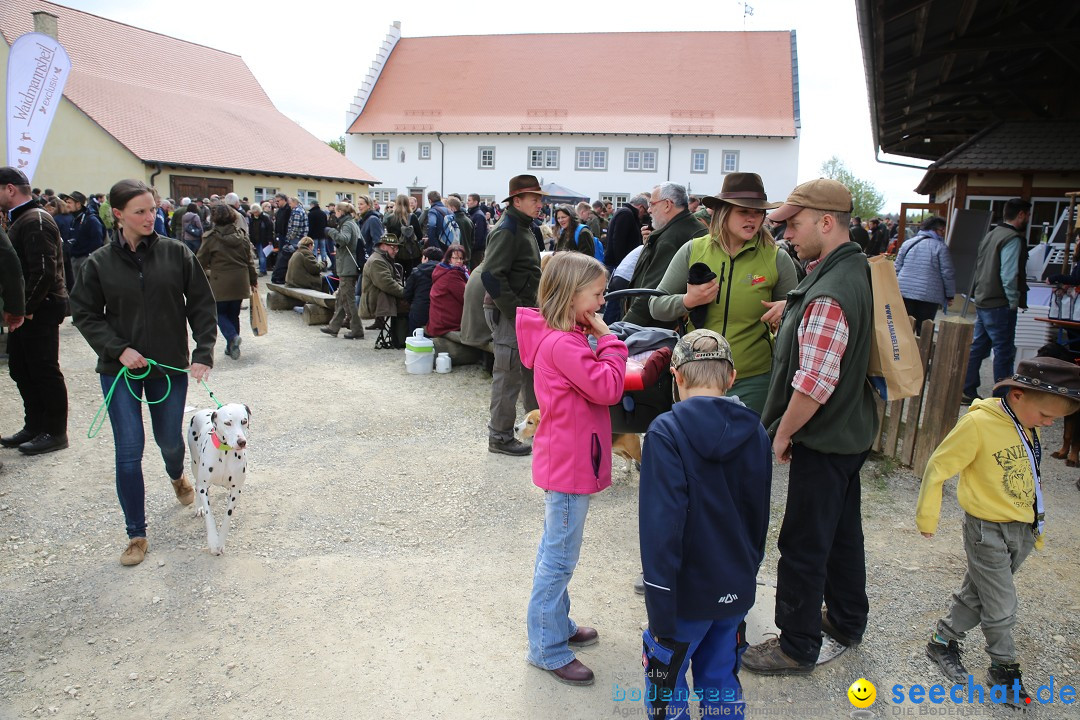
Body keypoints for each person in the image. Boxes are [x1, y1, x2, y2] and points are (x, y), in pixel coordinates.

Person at [742, 178, 876, 675]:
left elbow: (814, 382)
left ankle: (797, 645)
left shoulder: (828, 292)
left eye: (794, 225)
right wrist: (793, 307)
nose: (787, 235)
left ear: (825, 222)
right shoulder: (852, 267)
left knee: (802, 542)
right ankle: (845, 618)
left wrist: (782, 433)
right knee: (842, 532)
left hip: (823, 435)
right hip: (850, 432)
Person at [917, 357, 1080, 709]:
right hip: (986, 531)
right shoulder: (977, 423)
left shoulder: (1026, 422)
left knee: (980, 593)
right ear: (1018, 396)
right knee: (1001, 603)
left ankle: (941, 641)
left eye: (1054, 419)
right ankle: (1004, 670)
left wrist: (1033, 526)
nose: (1048, 424)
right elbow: (938, 466)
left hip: (1021, 529)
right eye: (1045, 416)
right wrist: (928, 517)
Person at [70, 178, 217, 566]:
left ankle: (176, 476)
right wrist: (118, 350)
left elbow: (201, 302)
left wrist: (203, 350)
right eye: (140, 211)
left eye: (153, 209)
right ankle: (136, 533)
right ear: (118, 215)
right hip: (120, 372)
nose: (150, 217)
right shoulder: (99, 263)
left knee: (170, 441)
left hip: (168, 368)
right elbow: (84, 313)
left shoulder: (176, 253)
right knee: (129, 450)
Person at [639, 330, 771, 719]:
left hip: (682, 599)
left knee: (668, 691)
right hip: (734, 590)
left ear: (676, 375)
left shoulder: (666, 432)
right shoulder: (757, 433)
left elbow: (661, 529)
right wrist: (746, 580)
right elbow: (758, 518)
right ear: (732, 377)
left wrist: (660, 611)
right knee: (721, 684)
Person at [517, 251, 628, 686]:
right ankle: (546, 647)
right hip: (569, 464)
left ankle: (556, 625)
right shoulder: (564, 342)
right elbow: (609, 386)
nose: (602, 303)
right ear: (571, 293)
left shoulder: (564, 335)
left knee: (554, 551)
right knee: (559, 560)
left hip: (569, 457)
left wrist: (596, 337)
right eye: (597, 294)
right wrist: (612, 340)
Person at [645, 174, 796, 413]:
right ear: (723, 211)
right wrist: (687, 300)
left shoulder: (777, 258)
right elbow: (656, 305)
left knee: (743, 449)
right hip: (695, 375)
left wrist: (787, 310)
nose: (752, 219)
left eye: (758, 212)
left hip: (753, 379)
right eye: (743, 211)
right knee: (696, 447)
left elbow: (796, 315)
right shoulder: (693, 250)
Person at [0, 167, 70, 456]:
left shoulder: (36, 220)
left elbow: (43, 271)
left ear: (9, 189)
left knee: (43, 369)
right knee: (20, 367)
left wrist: (24, 308)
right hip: (29, 309)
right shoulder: (23, 218)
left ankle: (55, 432)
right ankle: (35, 424)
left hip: (41, 308)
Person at [481, 175, 545, 456]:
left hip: (521, 312)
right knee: (508, 376)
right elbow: (491, 277)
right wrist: (517, 311)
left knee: (529, 373)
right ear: (516, 201)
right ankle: (500, 438)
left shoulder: (523, 226)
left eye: (540, 198)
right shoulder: (508, 229)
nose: (539, 204)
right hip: (509, 313)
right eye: (534, 199)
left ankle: (540, 431)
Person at [962, 199, 1032, 404]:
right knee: (1004, 351)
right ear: (1020, 214)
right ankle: (1003, 398)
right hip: (999, 301)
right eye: (1027, 215)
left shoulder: (991, 235)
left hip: (983, 297)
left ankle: (967, 389)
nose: (1028, 219)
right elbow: (1008, 275)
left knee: (978, 347)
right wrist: (1013, 301)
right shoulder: (1012, 238)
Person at [622, 183, 709, 328]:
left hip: (657, 329)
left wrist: (622, 328)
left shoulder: (672, 238)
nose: (649, 210)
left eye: (652, 204)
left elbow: (651, 291)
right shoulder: (689, 228)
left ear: (667, 204)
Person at [196, 204, 258, 361]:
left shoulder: (210, 238)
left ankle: (232, 337)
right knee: (233, 314)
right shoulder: (242, 235)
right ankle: (231, 346)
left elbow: (200, 261)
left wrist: (205, 275)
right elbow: (250, 260)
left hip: (220, 281)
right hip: (240, 280)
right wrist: (253, 280)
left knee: (218, 313)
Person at [894, 215, 955, 334]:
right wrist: (950, 294)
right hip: (929, 294)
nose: (943, 233)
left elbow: (897, 268)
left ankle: (904, 352)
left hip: (904, 291)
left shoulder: (908, 243)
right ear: (936, 229)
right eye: (942, 230)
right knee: (924, 330)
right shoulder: (940, 247)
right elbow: (947, 273)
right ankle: (921, 351)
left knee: (904, 329)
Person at [322, 202, 363, 339]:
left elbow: (344, 239)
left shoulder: (346, 224)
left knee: (349, 299)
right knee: (341, 298)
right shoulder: (352, 223)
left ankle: (357, 329)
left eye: (336, 212)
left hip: (348, 267)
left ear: (340, 211)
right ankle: (334, 327)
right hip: (349, 265)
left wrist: (331, 231)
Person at [359, 234, 406, 342]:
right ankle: (403, 338)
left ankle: (401, 337)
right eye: (393, 247)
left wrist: (404, 290)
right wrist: (405, 293)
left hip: (381, 298)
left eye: (397, 248)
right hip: (375, 302)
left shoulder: (384, 258)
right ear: (383, 246)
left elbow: (395, 279)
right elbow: (387, 284)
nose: (395, 251)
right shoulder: (377, 261)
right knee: (411, 306)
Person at [427, 244, 469, 337]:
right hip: (445, 322)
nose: (459, 261)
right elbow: (466, 296)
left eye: (461, 259)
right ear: (449, 259)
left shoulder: (443, 269)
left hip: (438, 320)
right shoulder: (452, 275)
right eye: (456, 258)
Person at [604, 194, 650, 275]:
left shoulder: (626, 213)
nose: (644, 215)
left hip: (618, 265)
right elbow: (618, 242)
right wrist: (623, 266)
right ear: (641, 207)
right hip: (618, 266)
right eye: (645, 211)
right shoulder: (626, 214)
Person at [68, 191, 106, 285]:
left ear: (78, 204)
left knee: (87, 287)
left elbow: (97, 240)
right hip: (75, 258)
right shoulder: (74, 218)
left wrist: (90, 257)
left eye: (69, 203)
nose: (67, 205)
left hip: (84, 259)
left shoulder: (91, 219)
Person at [403, 247, 442, 334]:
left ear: (425, 258)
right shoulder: (444, 272)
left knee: (415, 338)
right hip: (438, 310)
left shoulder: (416, 272)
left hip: (419, 309)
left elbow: (407, 293)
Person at [385, 193, 422, 276]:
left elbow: (389, 237)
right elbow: (420, 235)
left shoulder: (390, 218)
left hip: (396, 252)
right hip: (412, 253)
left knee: (398, 276)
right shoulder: (413, 217)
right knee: (412, 277)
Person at [248, 202, 274, 276]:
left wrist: (270, 239)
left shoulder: (265, 218)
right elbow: (251, 229)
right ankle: (262, 269)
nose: (255, 214)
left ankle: (263, 270)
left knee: (262, 256)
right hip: (256, 239)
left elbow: (269, 229)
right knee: (260, 255)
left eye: (256, 212)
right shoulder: (252, 218)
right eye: (254, 213)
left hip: (264, 239)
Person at [446, 195, 474, 265]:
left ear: (453, 208)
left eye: (448, 207)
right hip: (467, 254)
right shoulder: (469, 220)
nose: (446, 210)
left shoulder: (452, 221)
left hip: (456, 256)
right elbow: (472, 240)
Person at [467, 193, 489, 269]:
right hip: (474, 250)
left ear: (476, 202)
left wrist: (472, 248)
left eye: (469, 200)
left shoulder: (478, 216)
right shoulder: (473, 214)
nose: (467, 202)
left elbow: (479, 236)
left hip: (476, 251)